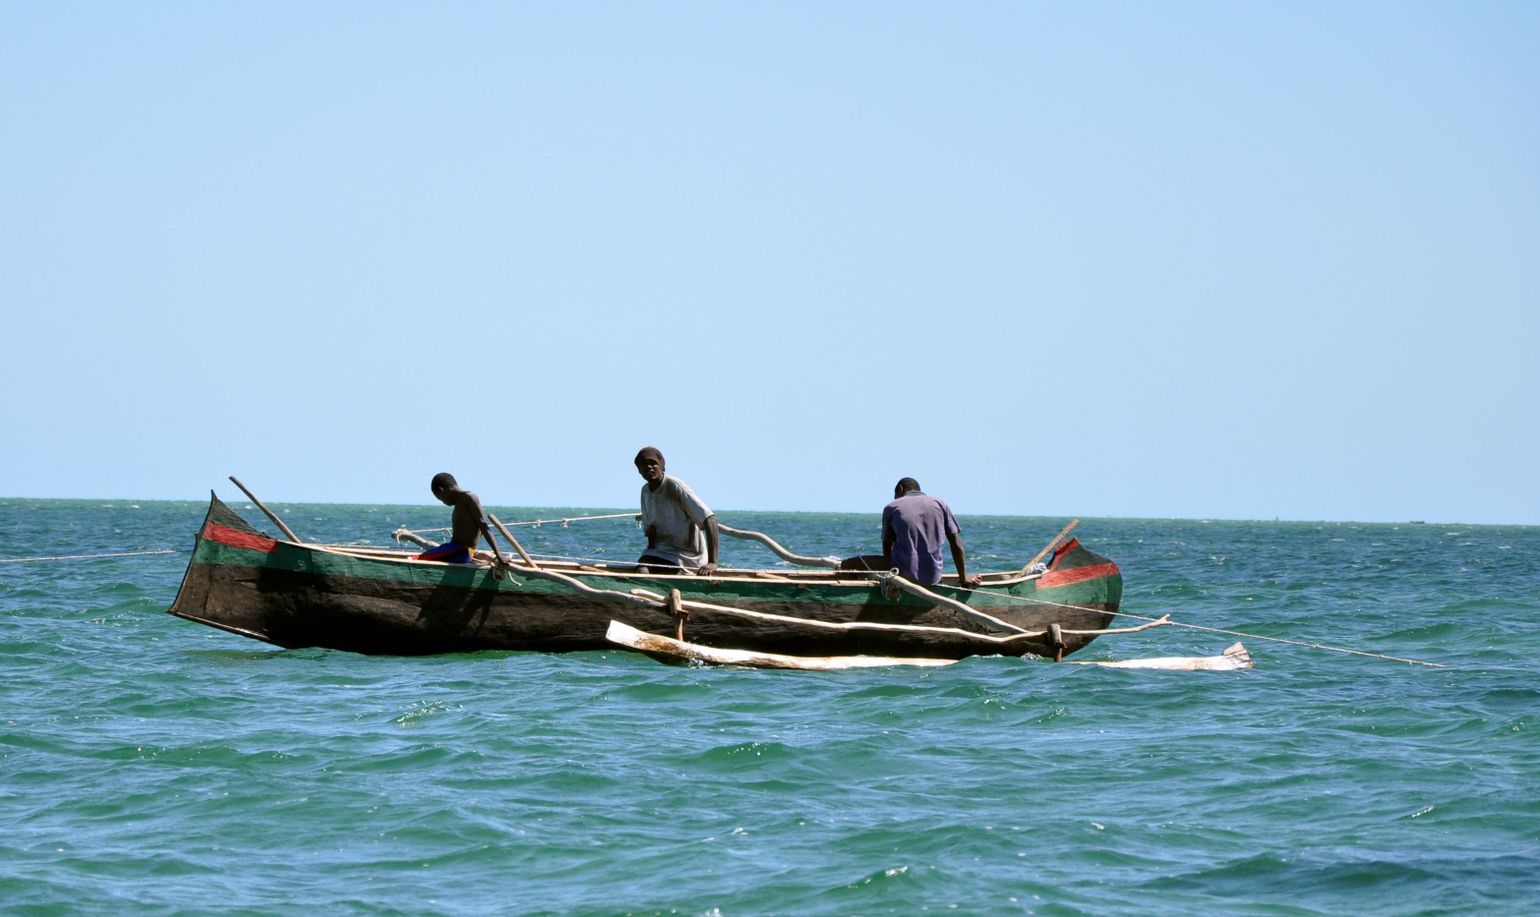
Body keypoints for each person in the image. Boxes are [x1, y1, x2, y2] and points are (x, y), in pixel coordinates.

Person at [633, 446, 719, 575]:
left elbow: (709, 520)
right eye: (644, 465)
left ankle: (685, 575)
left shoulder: (675, 486)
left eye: (653, 463)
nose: (649, 467)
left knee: (664, 572)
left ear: (661, 466)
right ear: (639, 470)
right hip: (662, 551)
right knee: (642, 570)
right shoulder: (645, 491)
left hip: (687, 554)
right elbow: (651, 529)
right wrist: (648, 553)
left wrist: (712, 562)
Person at [882, 477, 981, 587]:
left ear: (900, 489)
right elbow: (956, 544)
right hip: (933, 578)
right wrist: (963, 578)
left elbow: (887, 549)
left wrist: (891, 577)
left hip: (903, 577)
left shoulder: (891, 507)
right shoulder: (939, 503)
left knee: (859, 562)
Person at [417, 472, 508, 567]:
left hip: (462, 551)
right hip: (455, 549)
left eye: (441, 499)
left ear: (442, 490)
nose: (444, 503)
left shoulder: (468, 497)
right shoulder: (459, 503)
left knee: (419, 559)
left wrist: (498, 554)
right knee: (424, 555)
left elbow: (483, 526)